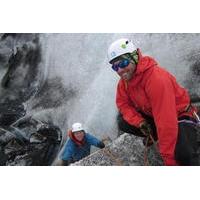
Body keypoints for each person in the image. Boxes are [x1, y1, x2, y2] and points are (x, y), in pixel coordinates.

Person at [107, 38, 200, 166]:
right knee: (123, 121)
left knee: (183, 156)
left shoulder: (155, 79)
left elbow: (166, 122)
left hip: (179, 116)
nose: (119, 70)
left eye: (123, 63)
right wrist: (140, 122)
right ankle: (156, 134)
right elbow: (123, 104)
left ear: (135, 57)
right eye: (115, 67)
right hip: (155, 115)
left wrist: (168, 158)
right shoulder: (125, 82)